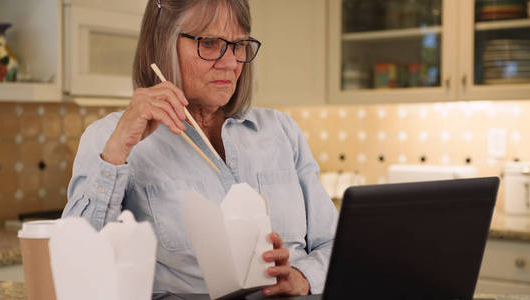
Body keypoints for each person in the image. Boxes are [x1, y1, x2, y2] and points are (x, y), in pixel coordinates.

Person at [62, 0, 337, 296]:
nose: (231, 63)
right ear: (162, 44)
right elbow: (75, 268)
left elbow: (335, 244)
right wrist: (117, 151)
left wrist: (302, 276)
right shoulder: (110, 138)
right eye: (209, 43)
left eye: (239, 45)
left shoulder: (281, 131)